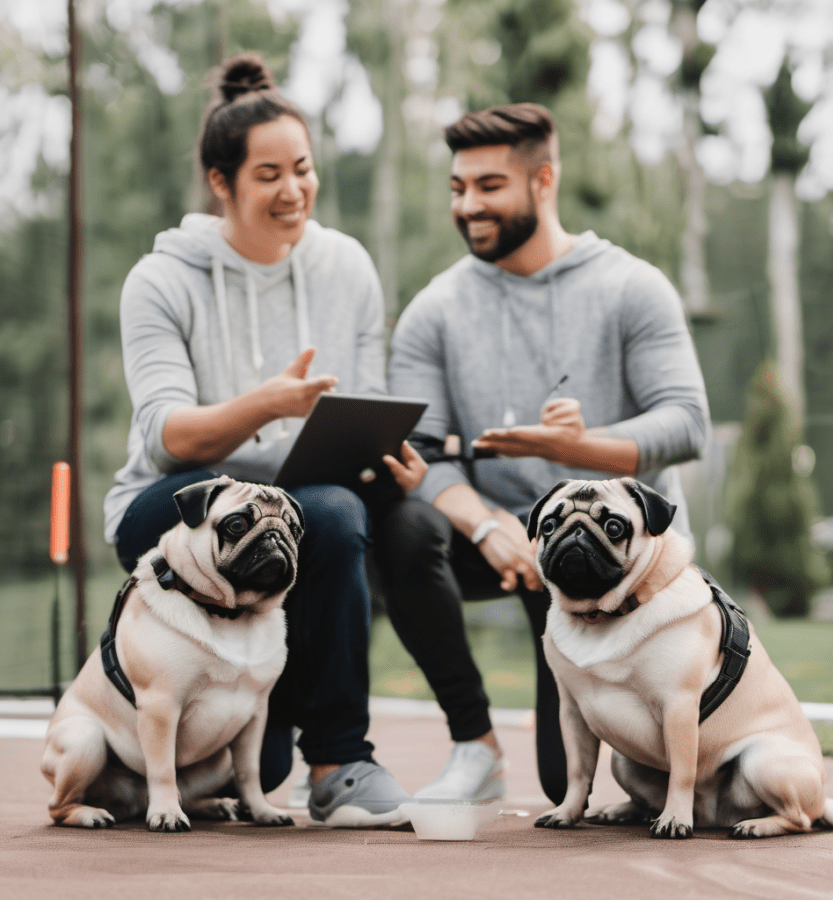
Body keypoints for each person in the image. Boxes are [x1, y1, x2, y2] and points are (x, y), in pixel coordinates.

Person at [102, 52, 425, 828]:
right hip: (173, 507)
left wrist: (389, 449)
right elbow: (168, 433)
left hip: (308, 499)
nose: (294, 191)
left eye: (304, 169)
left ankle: (337, 761)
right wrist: (264, 404)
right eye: (269, 175)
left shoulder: (345, 265)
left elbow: (368, 394)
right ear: (222, 183)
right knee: (328, 514)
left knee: (349, 511)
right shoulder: (161, 280)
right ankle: (315, 748)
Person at [379, 103, 710, 805]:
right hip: (506, 543)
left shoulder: (633, 287)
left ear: (544, 180)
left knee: (584, 787)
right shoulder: (432, 311)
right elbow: (420, 456)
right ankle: (474, 745)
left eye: (489, 186)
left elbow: (688, 423)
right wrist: (488, 527)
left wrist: (581, 448)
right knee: (401, 526)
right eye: (458, 187)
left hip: (621, 557)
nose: (468, 205)